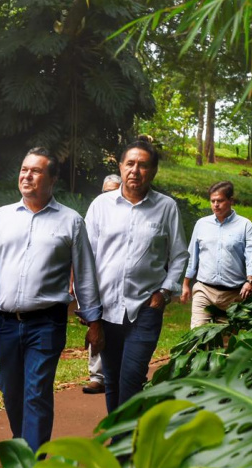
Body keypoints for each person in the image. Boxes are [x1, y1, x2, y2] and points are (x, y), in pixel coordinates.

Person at [0, 147, 103, 452]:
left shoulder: (71, 222)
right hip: (8, 323)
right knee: (11, 390)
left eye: (35, 171)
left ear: (52, 179)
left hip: (47, 322)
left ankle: (31, 465)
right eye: (24, 169)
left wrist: (94, 321)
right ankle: (25, 447)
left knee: (36, 391)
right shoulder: (1, 217)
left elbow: (85, 274)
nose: (27, 176)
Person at [85, 140, 188, 413]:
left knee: (131, 380)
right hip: (106, 311)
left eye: (143, 165)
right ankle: (121, 441)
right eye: (130, 164)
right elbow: (86, 257)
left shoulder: (166, 207)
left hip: (144, 309)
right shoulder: (100, 206)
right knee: (113, 381)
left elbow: (179, 255)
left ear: (153, 171)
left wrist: (164, 293)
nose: (135, 171)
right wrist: (88, 306)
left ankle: (122, 445)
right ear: (120, 167)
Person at [181, 181, 252, 329]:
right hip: (204, 290)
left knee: (225, 345)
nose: (216, 205)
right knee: (196, 338)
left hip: (233, 294)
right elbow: (193, 257)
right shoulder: (201, 224)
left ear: (231, 201)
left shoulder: (245, 226)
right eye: (213, 201)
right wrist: (186, 284)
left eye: (220, 201)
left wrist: (250, 281)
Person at [82, 173, 122, 395]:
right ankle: (97, 376)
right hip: (99, 282)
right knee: (96, 326)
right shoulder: (97, 209)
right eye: (105, 191)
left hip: (126, 286)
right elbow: (85, 247)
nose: (109, 195)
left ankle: (121, 374)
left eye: (113, 190)